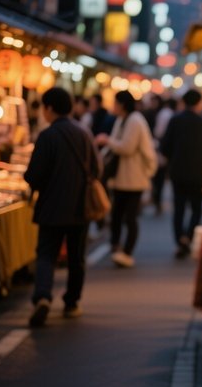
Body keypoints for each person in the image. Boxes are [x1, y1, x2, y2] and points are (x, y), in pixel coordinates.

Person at [24, 87, 99, 326]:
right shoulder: (85, 133)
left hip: (51, 206)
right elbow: (97, 169)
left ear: (49, 108)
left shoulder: (47, 136)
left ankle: (43, 297)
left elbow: (33, 175)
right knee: (77, 257)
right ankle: (72, 303)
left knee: (47, 254)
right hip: (80, 207)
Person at [95, 90, 157, 268]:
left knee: (129, 217)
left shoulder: (135, 120)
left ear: (122, 104)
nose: (112, 106)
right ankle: (117, 247)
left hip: (134, 178)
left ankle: (127, 252)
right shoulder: (124, 119)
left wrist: (107, 141)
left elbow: (127, 148)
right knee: (117, 214)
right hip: (123, 177)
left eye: (115, 103)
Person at [160, 89, 202, 258]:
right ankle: (189, 236)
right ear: (199, 103)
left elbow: (164, 147)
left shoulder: (175, 120)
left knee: (178, 208)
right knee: (196, 208)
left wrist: (173, 158)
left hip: (177, 172)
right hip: (198, 174)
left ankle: (180, 240)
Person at [151, 97, 177, 214]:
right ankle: (157, 199)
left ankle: (156, 199)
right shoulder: (168, 114)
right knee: (159, 177)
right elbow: (161, 133)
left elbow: (158, 132)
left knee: (159, 177)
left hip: (161, 148)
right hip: (163, 149)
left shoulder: (163, 113)